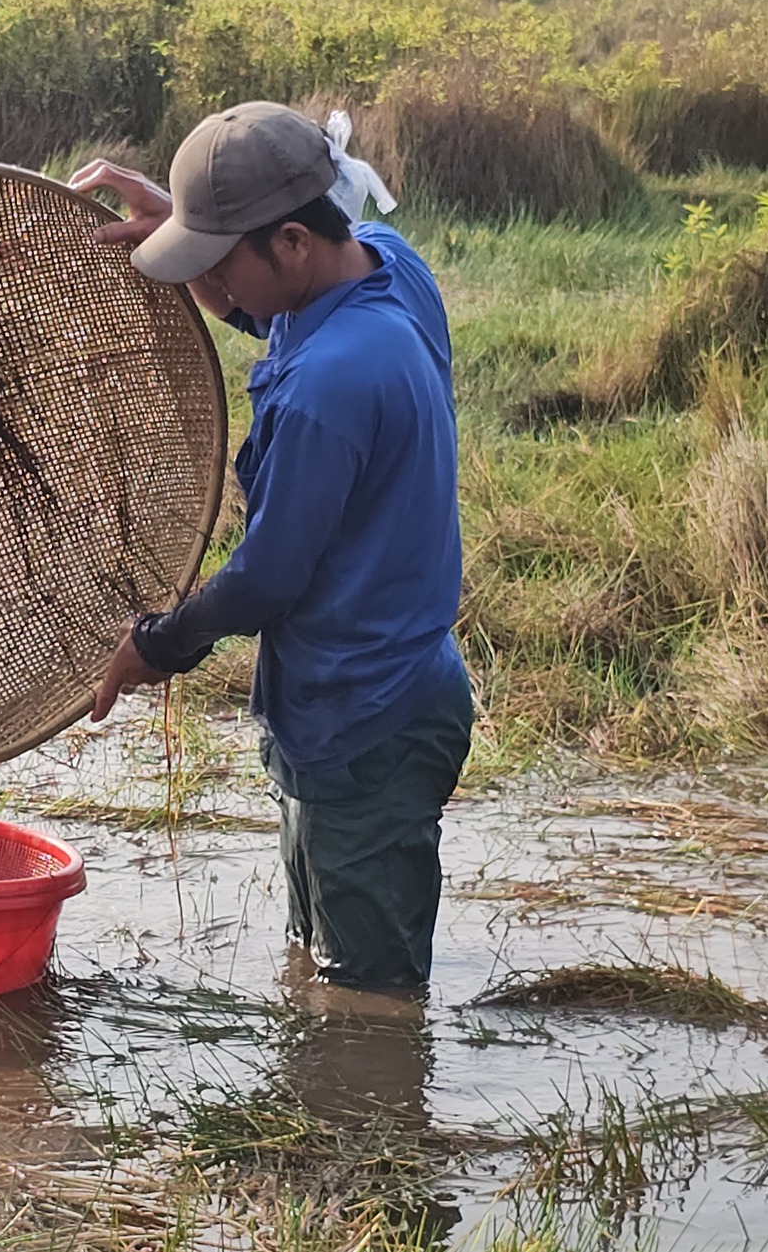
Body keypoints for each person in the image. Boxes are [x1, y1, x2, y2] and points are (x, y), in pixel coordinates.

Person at [69, 100, 472, 990]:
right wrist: (188, 224)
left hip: (369, 722)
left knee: (372, 1003)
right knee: (320, 963)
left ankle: (372, 1125)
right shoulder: (386, 270)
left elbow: (265, 581)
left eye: (219, 266)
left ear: (291, 242)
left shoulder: (329, 388)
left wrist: (156, 644)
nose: (211, 290)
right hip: (353, 706)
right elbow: (277, 316)